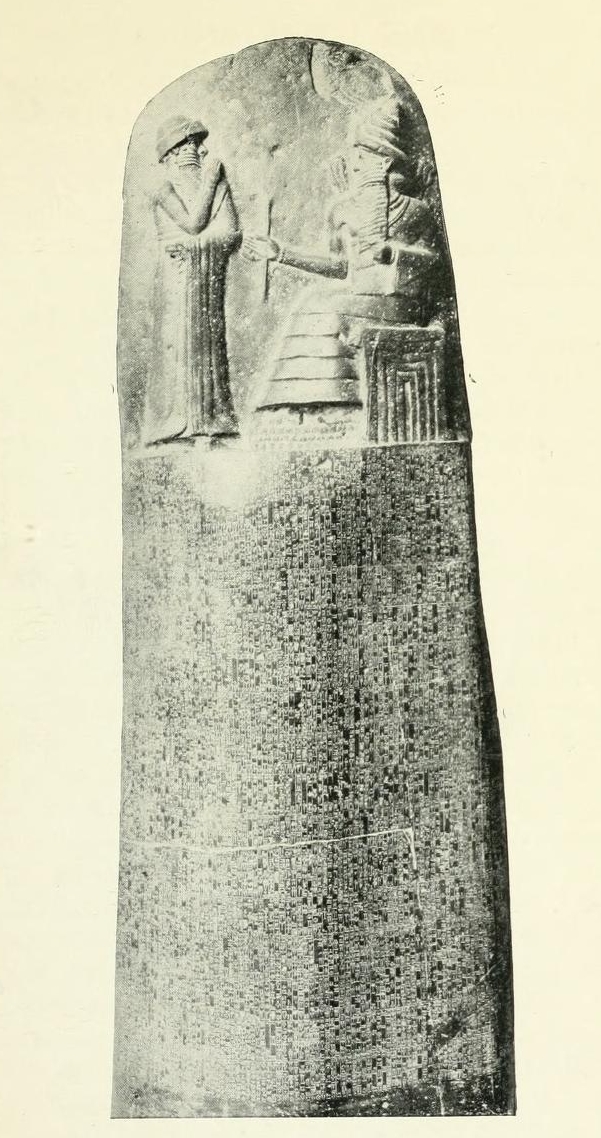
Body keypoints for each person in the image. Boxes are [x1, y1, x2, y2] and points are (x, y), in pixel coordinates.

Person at [243, 98, 440, 411]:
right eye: (355, 154)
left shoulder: (415, 211)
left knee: (326, 308)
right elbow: (340, 267)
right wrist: (281, 253)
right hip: (358, 294)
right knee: (312, 301)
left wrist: (392, 253)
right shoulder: (343, 209)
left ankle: (337, 403)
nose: (354, 163)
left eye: (362, 155)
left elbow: (433, 266)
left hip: (398, 303)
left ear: (385, 163)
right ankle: (298, 404)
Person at [143, 115, 240, 445]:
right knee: (177, 347)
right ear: (174, 151)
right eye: (194, 144)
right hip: (177, 280)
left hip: (206, 277)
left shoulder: (218, 184)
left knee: (209, 347)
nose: (203, 151)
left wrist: (193, 247)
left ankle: (212, 420)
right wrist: (210, 181)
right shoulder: (163, 187)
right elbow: (193, 224)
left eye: (200, 144)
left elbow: (230, 233)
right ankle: (176, 422)